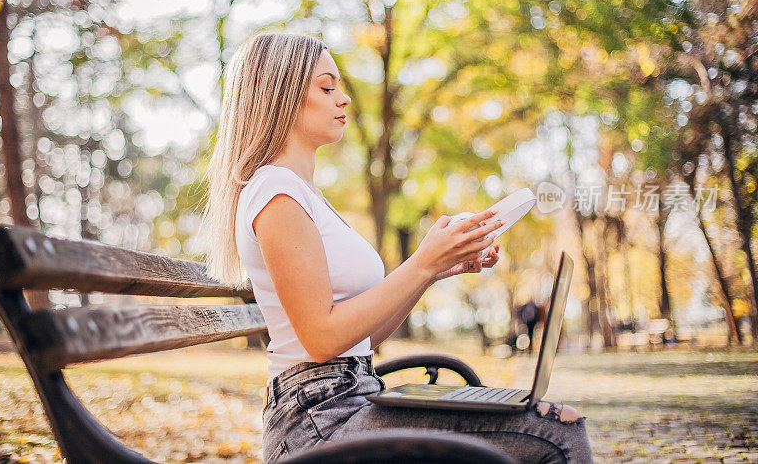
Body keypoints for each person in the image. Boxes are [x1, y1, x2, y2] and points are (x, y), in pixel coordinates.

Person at [204, 32, 594, 463]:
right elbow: (321, 340)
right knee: (556, 430)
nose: (344, 98)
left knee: (550, 422)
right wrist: (423, 262)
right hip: (318, 424)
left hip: (350, 400)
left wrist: (435, 270)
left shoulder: (304, 195)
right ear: (282, 95)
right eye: (327, 87)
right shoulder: (276, 193)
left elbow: (363, 338)